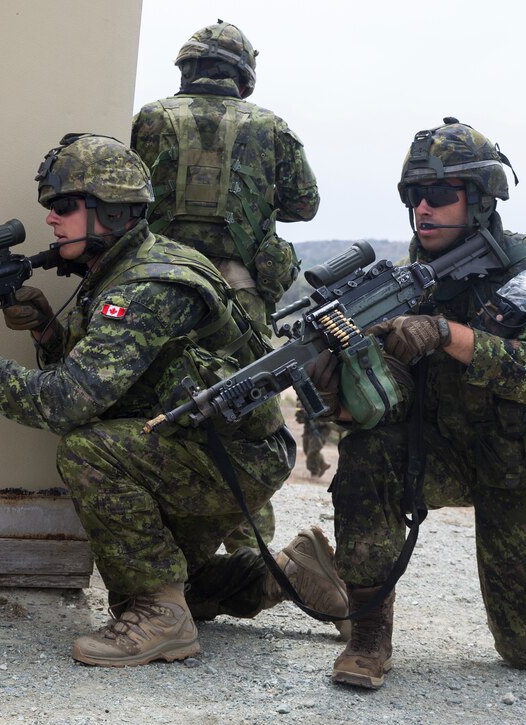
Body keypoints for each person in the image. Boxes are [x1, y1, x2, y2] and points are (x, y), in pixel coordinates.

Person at [0, 133, 349, 667]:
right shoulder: (121, 268)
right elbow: (118, 376)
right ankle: (292, 572)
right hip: (212, 443)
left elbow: (66, 403)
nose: (51, 219)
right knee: (162, 582)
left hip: (233, 455)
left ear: (112, 212)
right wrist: (48, 331)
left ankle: (163, 621)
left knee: (87, 449)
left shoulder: (144, 287)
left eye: (65, 207)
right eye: (51, 208)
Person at [318, 119, 526, 689]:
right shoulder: (406, 281)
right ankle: (368, 631)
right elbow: (383, 405)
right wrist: (341, 387)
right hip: (445, 451)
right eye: (415, 195)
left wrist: (446, 333)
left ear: (482, 199)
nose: (424, 207)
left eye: (441, 194)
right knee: (368, 451)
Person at [132, 19, 320, 552]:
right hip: (240, 292)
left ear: (188, 69)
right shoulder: (270, 126)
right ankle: (250, 548)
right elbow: (305, 205)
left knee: (149, 401)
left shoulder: (149, 119)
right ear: (243, 77)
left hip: (161, 282)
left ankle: (161, 542)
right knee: (243, 409)